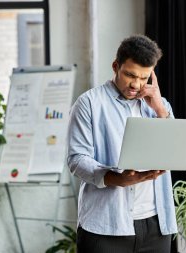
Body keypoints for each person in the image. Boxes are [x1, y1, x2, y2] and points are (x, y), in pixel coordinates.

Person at [67, 34, 177, 253]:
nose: (136, 84)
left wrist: (160, 111)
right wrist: (116, 178)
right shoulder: (89, 103)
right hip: (105, 226)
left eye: (144, 78)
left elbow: (174, 152)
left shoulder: (160, 106)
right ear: (116, 66)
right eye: (130, 75)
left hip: (156, 224)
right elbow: (76, 159)